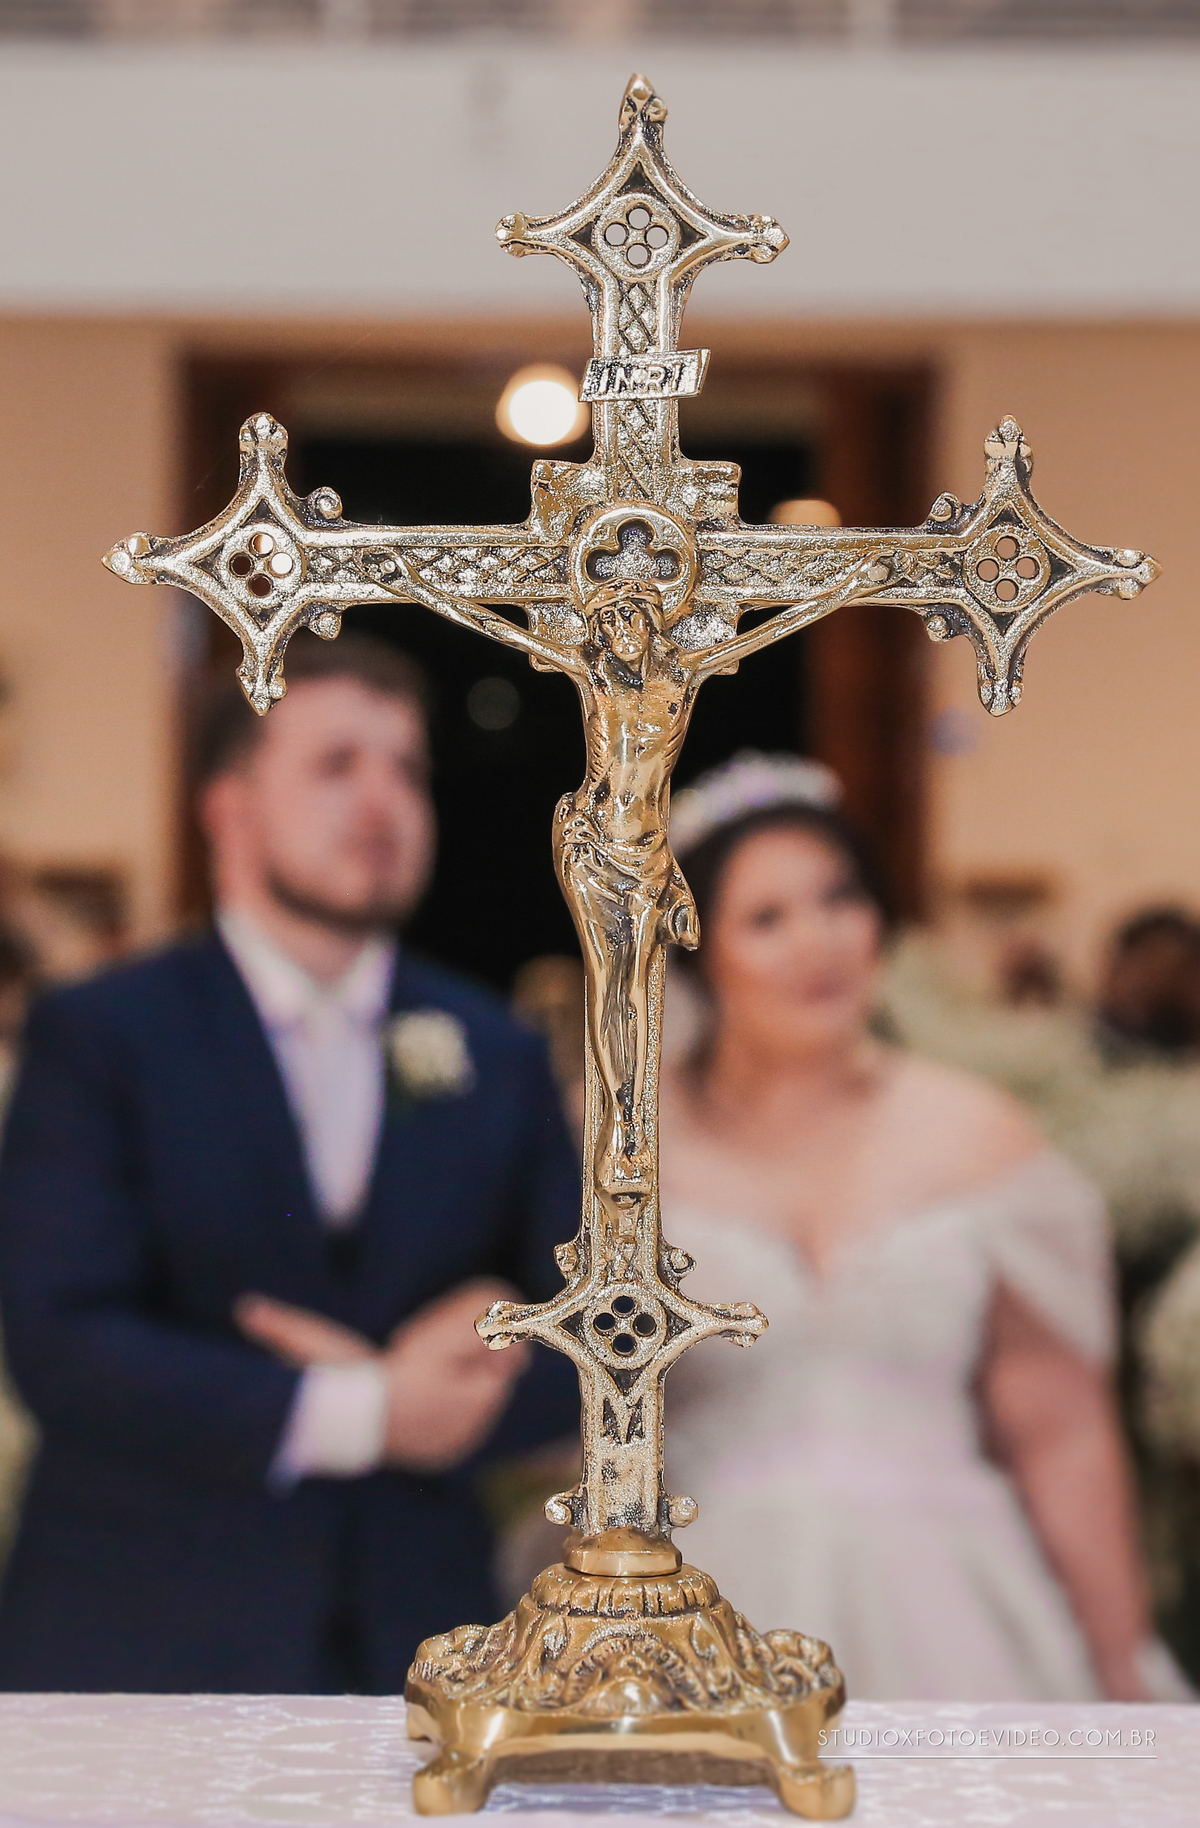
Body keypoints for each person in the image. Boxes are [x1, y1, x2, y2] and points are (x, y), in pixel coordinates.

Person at [0, 633, 578, 1694]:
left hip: (422, 1641)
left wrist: (489, 1349)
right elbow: (61, 1342)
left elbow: (587, 1336)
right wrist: (366, 1408)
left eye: (408, 770)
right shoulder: (102, 1033)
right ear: (227, 805)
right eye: (336, 764)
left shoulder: (492, 1048)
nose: (383, 801)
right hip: (139, 1634)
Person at [656, 751, 1186, 1702]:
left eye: (840, 899)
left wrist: (1121, 1662)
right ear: (697, 954)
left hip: (950, 1602)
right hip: (699, 1600)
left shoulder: (978, 1133)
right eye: (768, 918)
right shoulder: (625, 1145)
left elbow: (1059, 1430)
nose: (820, 941)